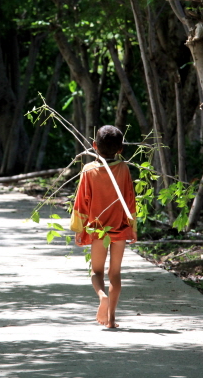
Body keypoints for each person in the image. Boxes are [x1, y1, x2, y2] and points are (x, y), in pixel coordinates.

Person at [71, 125, 137, 329]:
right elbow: (130, 200)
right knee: (114, 274)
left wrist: (79, 228)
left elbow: (81, 203)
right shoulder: (124, 168)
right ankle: (111, 319)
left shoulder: (88, 170)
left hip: (98, 230)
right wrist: (133, 227)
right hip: (120, 228)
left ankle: (101, 296)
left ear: (94, 146)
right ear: (121, 149)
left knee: (96, 272)